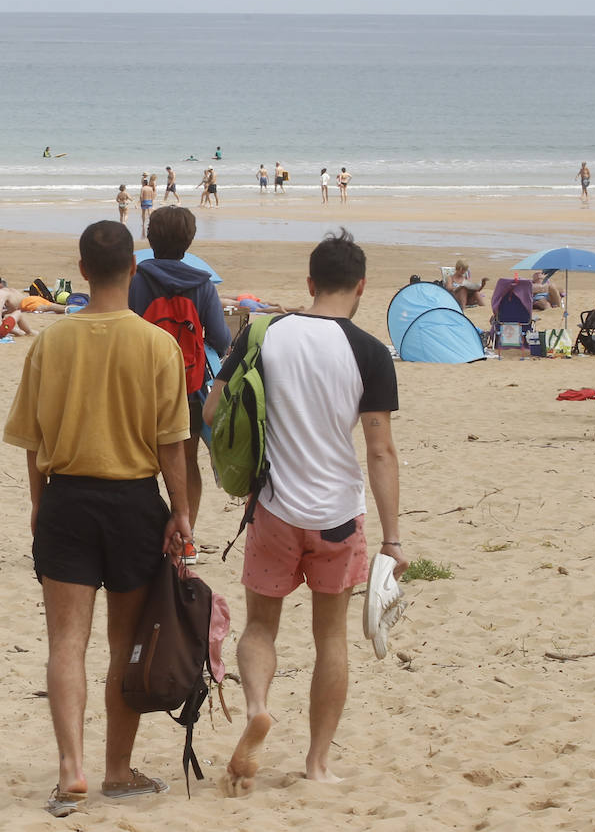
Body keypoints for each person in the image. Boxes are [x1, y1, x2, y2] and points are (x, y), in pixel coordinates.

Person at [203, 228, 404, 794]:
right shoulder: (369, 351)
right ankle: (317, 764)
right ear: (361, 286)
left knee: (261, 626)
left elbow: (215, 409)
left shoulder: (263, 333)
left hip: (274, 508)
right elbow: (380, 448)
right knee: (331, 640)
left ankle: (258, 707)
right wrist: (392, 539)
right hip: (339, 513)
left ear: (309, 282)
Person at [4, 219, 192, 818]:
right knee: (124, 646)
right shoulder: (157, 344)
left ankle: (71, 771)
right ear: (132, 270)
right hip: (136, 500)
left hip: (67, 498)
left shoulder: (51, 342)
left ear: (82, 270)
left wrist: (39, 502)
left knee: (66, 643)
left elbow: (32, 442)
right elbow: (172, 445)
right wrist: (182, 511)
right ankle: (116, 769)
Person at [129, 205, 231, 534]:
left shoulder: (136, 281)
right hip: (188, 386)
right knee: (185, 462)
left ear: (150, 237)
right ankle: (187, 534)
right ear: (189, 240)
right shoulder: (202, 285)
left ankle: (142, 530)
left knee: (141, 465)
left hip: (142, 388)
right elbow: (222, 337)